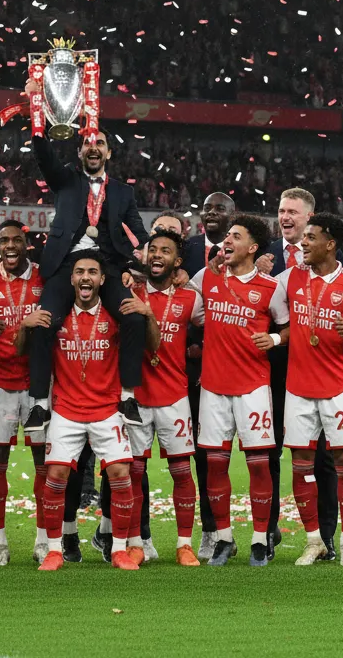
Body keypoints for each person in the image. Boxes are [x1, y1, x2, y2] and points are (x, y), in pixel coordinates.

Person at [21, 76, 148, 434]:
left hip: (107, 268)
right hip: (65, 266)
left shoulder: (123, 192)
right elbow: (43, 153)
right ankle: (40, 405)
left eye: (100, 143)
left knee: (135, 318)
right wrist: (36, 108)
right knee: (43, 322)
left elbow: (139, 232)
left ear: (109, 153)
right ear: (78, 153)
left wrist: (144, 253)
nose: (93, 148)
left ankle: (127, 396)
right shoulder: (65, 180)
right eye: (87, 144)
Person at [13, 251, 141, 571]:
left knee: (120, 474)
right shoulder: (55, 317)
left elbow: (143, 341)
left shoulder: (114, 316)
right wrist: (25, 326)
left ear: (102, 279)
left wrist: (146, 313)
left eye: (92, 272)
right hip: (66, 409)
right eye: (80, 271)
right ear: (71, 279)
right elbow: (22, 350)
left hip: (106, 409)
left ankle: (119, 550)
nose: (86, 277)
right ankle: (54, 550)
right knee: (56, 475)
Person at [277, 213, 343, 567]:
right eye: (303, 237)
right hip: (298, 387)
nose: (303, 243)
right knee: (300, 464)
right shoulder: (290, 278)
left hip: (338, 387)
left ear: (330, 243)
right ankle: (314, 541)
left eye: (311, 237)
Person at [186, 214, 289, 566]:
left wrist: (274, 339)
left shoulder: (271, 287)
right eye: (226, 235)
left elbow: (288, 328)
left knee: (259, 466)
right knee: (215, 465)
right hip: (214, 388)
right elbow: (191, 312)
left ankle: (260, 539)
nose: (227, 240)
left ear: (253, 247)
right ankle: (224, 538)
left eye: (235, 236)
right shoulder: (206, 277)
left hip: (253, 387)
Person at [256, 187, 343, 561]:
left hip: (316, 369)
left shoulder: (331, 257)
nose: (285, 217)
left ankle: (325, 535)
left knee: (323, 456)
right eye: (281, 210)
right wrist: (257, 274)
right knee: (270, 451)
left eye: (293, 211)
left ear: (310, 218)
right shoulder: (261, 254)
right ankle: (268, 531)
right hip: (272, 368)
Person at [120, 229, 205, 566]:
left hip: (174, 396)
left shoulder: (191, 298)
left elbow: (215, 330)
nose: (156, 255)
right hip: (136, 396)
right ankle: (136, 543)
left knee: (181, 471)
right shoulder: (129, 291)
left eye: (165, 251)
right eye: (152, 249)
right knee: (134, 473)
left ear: (177, 261)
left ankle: (184, 544)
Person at [0, 220, 46, 565]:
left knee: (43, 462)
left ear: (26, 244)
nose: (11, 246)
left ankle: (43, 539)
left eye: (17, 240)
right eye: (4, 241)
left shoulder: (44, 277)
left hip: (38, 383)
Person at [178, 191, 235, 559]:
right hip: (180, 363)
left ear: (233, 215)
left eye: (219, 208)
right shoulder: (185, 249)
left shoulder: (243, 250)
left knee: (210, 453)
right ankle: (140, 535)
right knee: (182, 454)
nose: (211, 213)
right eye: (207, 208)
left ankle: (214, 529)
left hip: (223, 363)